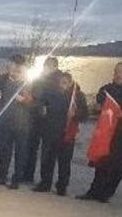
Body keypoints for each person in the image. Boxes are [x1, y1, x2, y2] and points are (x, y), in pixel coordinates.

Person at [34, 72, 88, 196]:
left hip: (67, 133)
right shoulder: (50, 93)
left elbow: (85, 115)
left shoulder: (78, 96)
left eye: (64, 83)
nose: (61, 85)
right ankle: (45, 183)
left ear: (70, 83)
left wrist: (75, 114)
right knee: (47, 160)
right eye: (60, 82)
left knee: (64, 162)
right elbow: (41, 105)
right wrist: (42, 109)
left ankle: (62, 186)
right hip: (50, 131)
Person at [78, 62, 122, 203]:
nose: (118, 74)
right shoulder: (107, 89)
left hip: (120, 134)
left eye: (121, 72)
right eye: (117, 71)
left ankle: (106, 193)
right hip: (107, 132)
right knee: (102, 161)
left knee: (117, 166)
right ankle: (94, 191)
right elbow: (99, 103)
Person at [0, 56, 33, 189]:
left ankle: (16, 179)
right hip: (6, 122)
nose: (14, 72)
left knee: (20, 153)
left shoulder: (28, 84)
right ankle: (2, 176)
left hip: (22, 124)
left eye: (17, 70)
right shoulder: (4, 82)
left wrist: (24, 100)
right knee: (4, 151)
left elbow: (34, 103)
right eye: (12, 70)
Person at [25, 56, 64, 184]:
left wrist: (46, 105)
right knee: (31, 147)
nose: (45, 68)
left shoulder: (61, 80)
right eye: (45, 65)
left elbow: (60, 99)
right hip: (36, 117)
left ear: (55, 67)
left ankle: (45, 181)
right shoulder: (40, 79)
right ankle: (28, 174)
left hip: (51, 121)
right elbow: (34, 94)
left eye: (48, 66)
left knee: (47, 152)